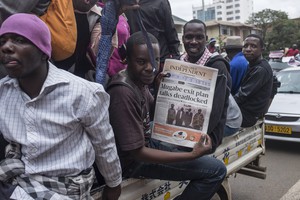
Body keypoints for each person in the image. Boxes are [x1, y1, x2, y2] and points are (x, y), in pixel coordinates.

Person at [0, 13, 122, 199]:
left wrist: (114, 185)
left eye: (19, 40)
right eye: (2, 41)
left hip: (68, 188)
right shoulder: (3, 92)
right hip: (20, 181)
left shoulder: (82, 93)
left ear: (43, 52)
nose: (7, 47)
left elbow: (104, 144)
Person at [107, 31, 226, 200]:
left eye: (154, 60)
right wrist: (191, 156)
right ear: (126, 60)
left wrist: (159, 89)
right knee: (216, 170)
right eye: (141, 61)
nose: (150, 67)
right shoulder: (122, 92)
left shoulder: (139, 81)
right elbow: (138, 153)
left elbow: (153, 113)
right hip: (134, 162)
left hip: (148, 144)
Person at [180, 19, 231, 151]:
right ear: (183, 38)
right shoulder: (178, 63)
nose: (193, 41)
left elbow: (216, 111)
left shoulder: (217, 66)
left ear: (206, 39)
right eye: (189, 37)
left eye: (199, 37)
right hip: (181, 128)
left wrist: (196, 136)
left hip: (208, 134)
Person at [125, 0, 180, 69]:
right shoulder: (123, 3)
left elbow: (170, 31)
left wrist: (175, 58)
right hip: (135, 62)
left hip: (159, 60)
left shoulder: (160, 2)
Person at [234, 34, 273, 127]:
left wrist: (223, 105)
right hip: (246, 113)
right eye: (245, 46)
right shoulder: (253, 65)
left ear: (262, 49)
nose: (248, 49)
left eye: (253, 46)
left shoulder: (260, 69)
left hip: (247, 116)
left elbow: (242, 95)